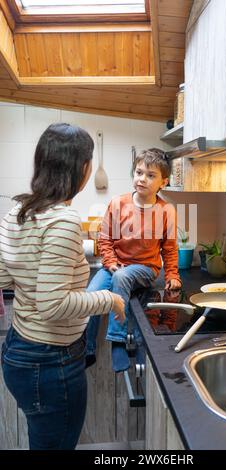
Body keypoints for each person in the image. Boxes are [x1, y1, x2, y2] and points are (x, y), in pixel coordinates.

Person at [0, 123, 125, 450]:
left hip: (19, 353)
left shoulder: (19, 210)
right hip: (50, 361)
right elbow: (53, 306)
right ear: (83, 169)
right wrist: (108, 299)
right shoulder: (64, 220)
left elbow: (5, 276)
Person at [86, 148, 181, 372]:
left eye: (150, 175)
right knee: (89, 297)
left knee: (123, 276)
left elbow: (169, 248)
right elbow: (106, 239)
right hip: (115, 266)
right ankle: (88, 348)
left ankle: (117, 341)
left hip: (145, 269)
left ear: (163, 182)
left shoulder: (166, 210)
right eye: (139, 172)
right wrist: (109, 262)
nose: (142, 179)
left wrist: (173, 275)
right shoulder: (118, 203)